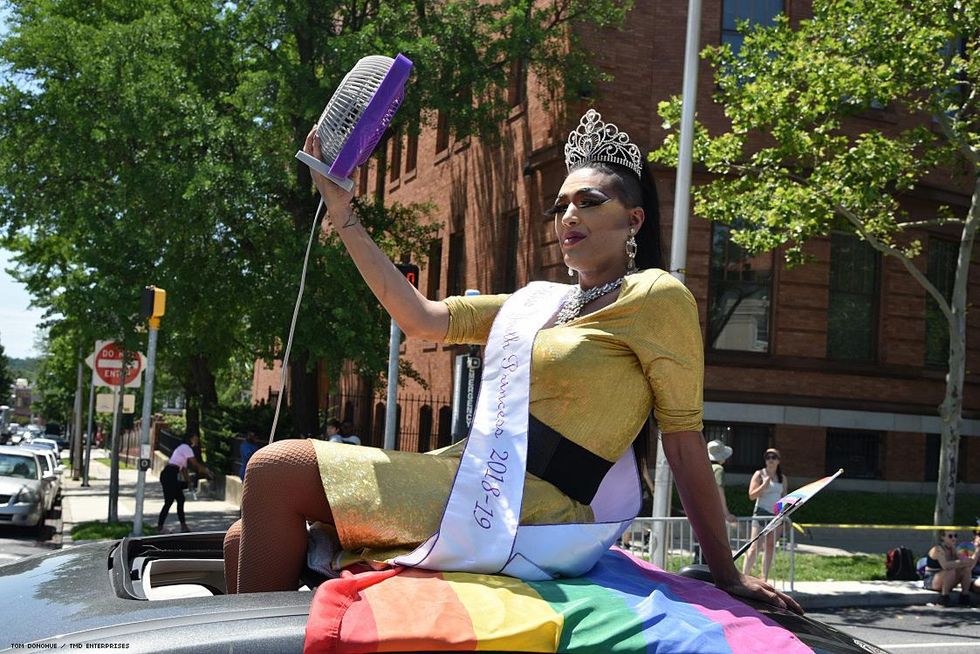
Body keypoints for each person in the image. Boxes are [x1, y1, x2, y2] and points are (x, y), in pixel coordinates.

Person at [221, 109, 800, 614]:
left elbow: (683, 440)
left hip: (535, 502)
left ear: (635, 220)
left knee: (274, 468)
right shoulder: (541, 302)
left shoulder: (654, 296)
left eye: (589, 202)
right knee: (241, 536)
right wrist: (342, 211)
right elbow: (421, 318)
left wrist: (726, 572)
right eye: (560, 205)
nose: (567, 215)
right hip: (471, 473)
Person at [741, 448, 787, 582]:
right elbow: (751, 495)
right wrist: (764, 485)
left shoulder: (782, 477)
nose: (770, 460)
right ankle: (744, 576)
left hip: (775, 516)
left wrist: (782, 513)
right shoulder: (759, 474)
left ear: (778, 460)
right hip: (761, 513)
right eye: (768, 457)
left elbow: (783, 498)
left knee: (770, 546)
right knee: (754, 545)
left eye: (774, 457)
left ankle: (764, 578)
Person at [158, 432, 213, 533]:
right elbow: (195, 463)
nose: (197, 440)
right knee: (169, 501)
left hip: (170, 475)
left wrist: (189, 482)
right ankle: (160, 527)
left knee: (180, 499)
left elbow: (184, 469)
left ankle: (183, 526)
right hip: (169, 475)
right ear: (191, 438)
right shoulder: (186, 448)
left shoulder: (182, 449)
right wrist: (206, 471)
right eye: (196, 437)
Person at [924, 530, 980, 606]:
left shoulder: (952, 548)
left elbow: (967, 563)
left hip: (946, 578)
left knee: (965, 569)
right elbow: (945, 566)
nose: (954, 538)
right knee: (951, 569)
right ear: (942, 537)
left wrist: (976, 550)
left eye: (955, 536)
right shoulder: (937, 549)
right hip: (931, 580)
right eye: (950, 536)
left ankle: (964, 596)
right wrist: (961, 562)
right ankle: (944, 597)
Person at [706, 439, 736, 524]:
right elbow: (719, 491)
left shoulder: (704, 468)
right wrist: (726, 514)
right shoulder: (718, 469)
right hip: (713, 511)